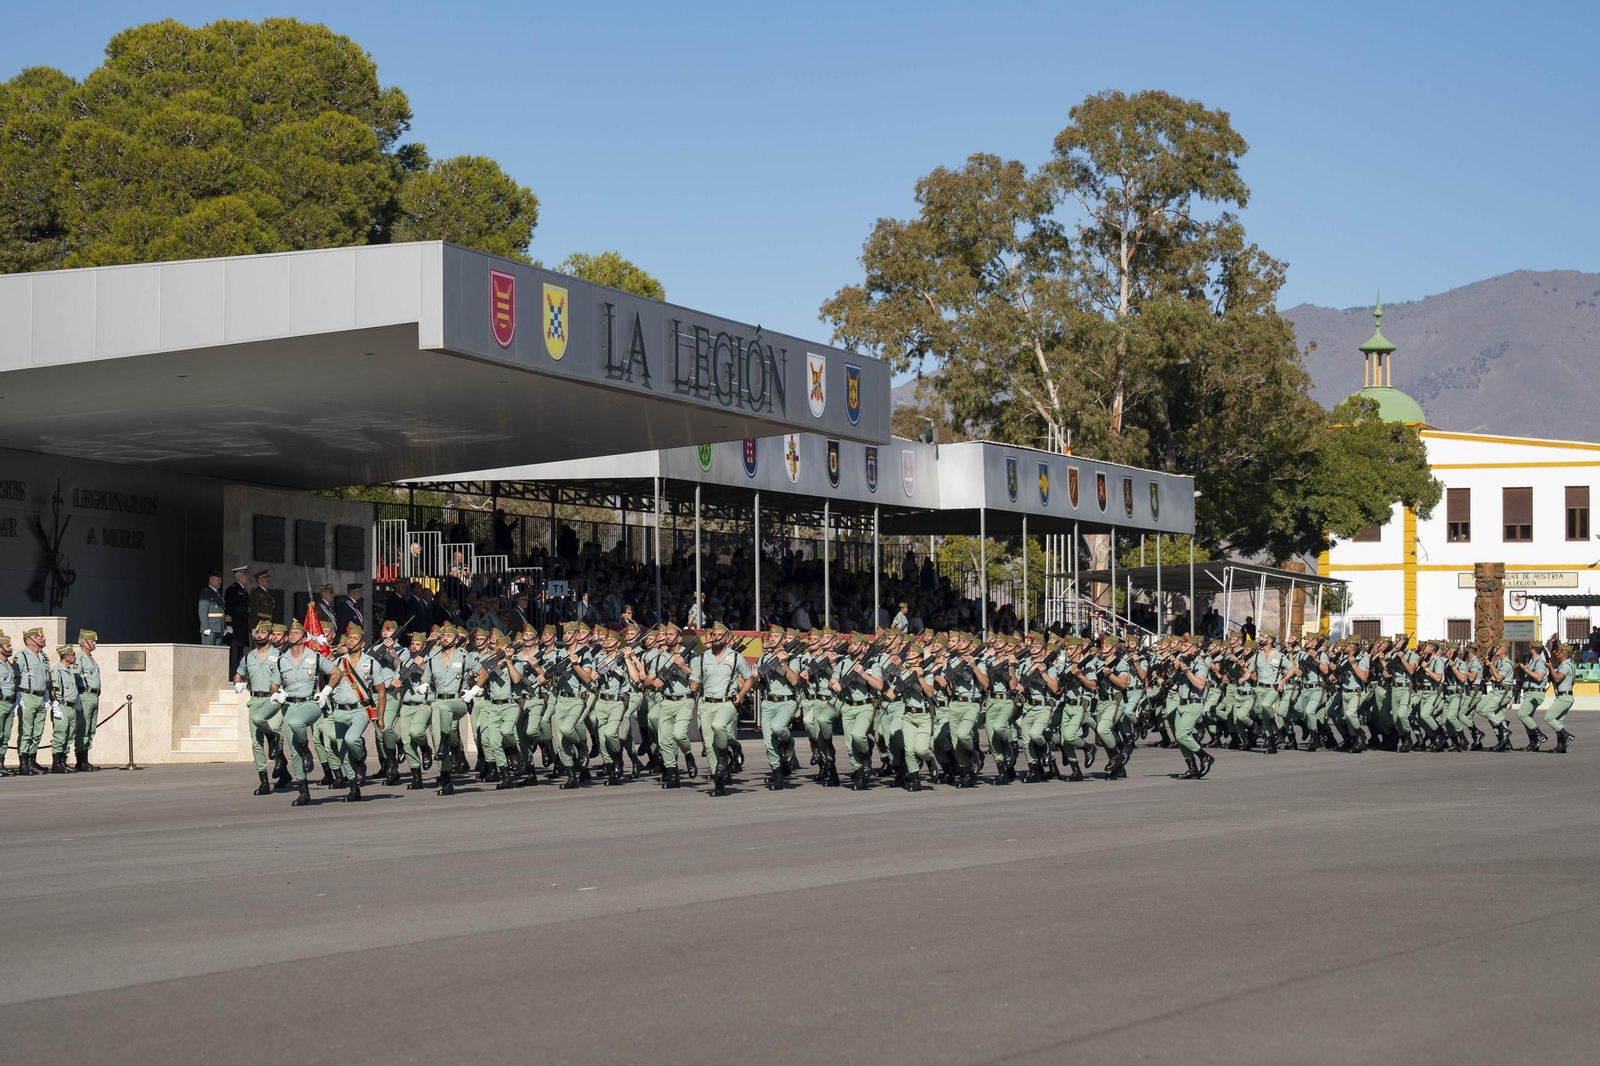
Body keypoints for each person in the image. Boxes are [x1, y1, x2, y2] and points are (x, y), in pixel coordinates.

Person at [691, 623, 753, 796]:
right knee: (709, 744)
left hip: (726, 703)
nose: (716, 637)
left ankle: (724, 754)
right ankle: (718, 781)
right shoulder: (702, 658)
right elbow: (694, 678)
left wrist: (741, 695)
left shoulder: (736, 657)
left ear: (728, 638)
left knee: (719, 726)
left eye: (720, 635)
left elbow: (748, 679)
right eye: (714, 634)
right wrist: (693, 684)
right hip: (706, 703)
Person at [234, 621, 286, 796]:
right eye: (257, 633)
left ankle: (274, 742)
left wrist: (283, 692)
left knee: (274, 729)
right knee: (256, 742)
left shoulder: (279, 656)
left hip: (273, 700)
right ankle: (264, 781)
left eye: (263, 633)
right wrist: (237, 683)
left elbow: (288, 677)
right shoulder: (249, 657)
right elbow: (238, 673)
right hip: (255, 699)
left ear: (270, 635)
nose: (259, 636)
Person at [14, 627, 52, 776]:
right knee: (26, 731)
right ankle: (23, 763)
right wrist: (17, 696)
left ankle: (32, 760)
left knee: (37, 731)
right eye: (38, 636)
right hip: (27, 696)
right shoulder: (22, 655)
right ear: (29, 640)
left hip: (41, 696)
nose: (42, 639)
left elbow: (47, 678)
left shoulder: (43, 656)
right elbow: (15, 676)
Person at [68, 630, 102, 772]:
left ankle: (85, 759)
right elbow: (74, 676)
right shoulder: (80, 658)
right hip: (85, 695)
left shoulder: (91, 657)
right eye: (92, 641)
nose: (94, 643)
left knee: (91, 728)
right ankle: (80, 760)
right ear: (84, 642)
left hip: (94, 696)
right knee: (83, 727)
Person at [225, 565, 252, 674]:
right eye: (245, 574)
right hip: (235, 625)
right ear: (238, 576)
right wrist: (228, 623)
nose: (247, 577)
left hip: (242, 625)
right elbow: (229, 607)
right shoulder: (232, 589)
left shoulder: (244, 590)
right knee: (234, 651)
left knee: (240, 650)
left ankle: (239, 673)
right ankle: (233, 674)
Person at [0, 633, 17, 776]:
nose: (10, 648)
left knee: (5, 735)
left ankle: (1, 763)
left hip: (9, 702)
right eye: (7, 646)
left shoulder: (9, 665)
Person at [199, 569, 225, 645]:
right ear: (211, 580)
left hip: (219, 627)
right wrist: (206, 627)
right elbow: (202, 612)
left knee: (218, 652)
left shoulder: (218, 594)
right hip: (210, 626)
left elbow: (222, 611)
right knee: (209, 653)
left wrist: (224, 626)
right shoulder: (206, 594)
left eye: (220, 579)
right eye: (218, 579)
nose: (220, 582)